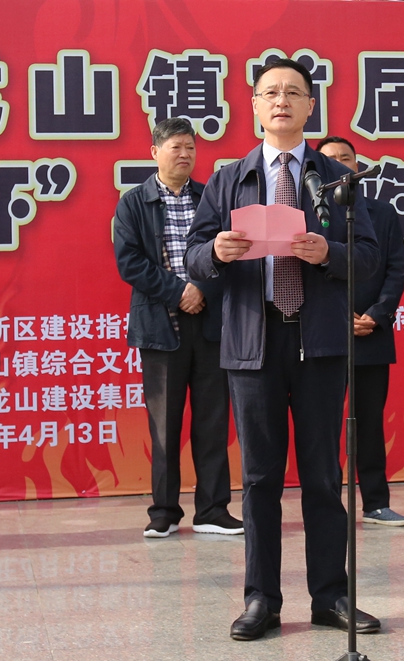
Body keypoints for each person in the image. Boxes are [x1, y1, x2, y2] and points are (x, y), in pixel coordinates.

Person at [184, 59, 381, 641]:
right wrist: (216, 252)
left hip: (319, 343)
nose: (281, 101)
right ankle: (261, 600)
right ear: (253, 105)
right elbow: (193, 256)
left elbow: (369, 257)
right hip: (254, 342)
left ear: (310, 106)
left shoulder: (336, 178)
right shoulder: (229, 178)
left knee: (323, 476)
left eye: (293, 92)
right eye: (270, 92)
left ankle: (331, 596)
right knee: (260, 479)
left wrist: (330, 255)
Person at [114, 117, 243, 538]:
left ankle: (212, 510)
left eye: (190, 146)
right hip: (160, 328)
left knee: (212, 422)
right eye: (176, 147)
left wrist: (202, 289)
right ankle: (164, 512)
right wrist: (179, 292)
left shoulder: (211, 198)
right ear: (155, 152)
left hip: (210, 327)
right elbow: (130, 263)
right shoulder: (133, 203)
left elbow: (230, 253)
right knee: (164, 427)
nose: (185, 154)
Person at [316, 135, 404, 527]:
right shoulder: (309, 213)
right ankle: (326, 507)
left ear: (358, 166)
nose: (340, 165)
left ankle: (375, 503)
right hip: (323, 334)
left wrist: (376, 314)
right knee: (323, 426)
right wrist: (338, 317)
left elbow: (396, 269)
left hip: (371, 333)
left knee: (369, 422)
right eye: (331, 159)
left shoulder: (381, 213)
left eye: (346, 158)